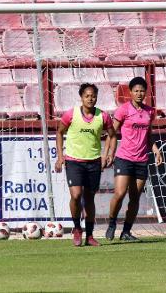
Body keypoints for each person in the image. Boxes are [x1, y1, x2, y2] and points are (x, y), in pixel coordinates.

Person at [55, 83, 116, 247]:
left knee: (89, 199)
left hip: (94, 162)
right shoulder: (71, 114)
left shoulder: (102, 116)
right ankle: (76, 228)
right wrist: (60, 156)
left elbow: (112, 135)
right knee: (75, 196)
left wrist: (108, 154)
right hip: (74, 161)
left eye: (93, 96)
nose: (90, 98)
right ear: (81, 97)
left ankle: (89, 235)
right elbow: (59, 132)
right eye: (87, 96)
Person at [106, 77, 162, 241]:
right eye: (136, 90)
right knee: (120, 193)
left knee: (135, 197)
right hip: (124, 158)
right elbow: (112, 133)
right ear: (130, 92)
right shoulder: (123, 110)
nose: (139, 93)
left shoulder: (150, 111)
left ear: (146, 92)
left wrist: (156, 151)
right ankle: (111, 223)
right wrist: (109, 153)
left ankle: (126, 232)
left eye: (142, 90)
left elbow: (148, 135)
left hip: (141, 159)